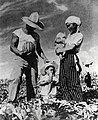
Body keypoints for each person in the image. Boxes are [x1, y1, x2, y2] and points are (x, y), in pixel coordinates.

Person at [8, 12, 49, 102]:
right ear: (27, 23)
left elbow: (39, 49)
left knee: (32, 82)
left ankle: (31, 102)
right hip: (20, 58)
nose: (33, 27)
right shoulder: (17, 33)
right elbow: (12, 46)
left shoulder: (36, 36)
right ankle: (11, 101)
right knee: (16, 78)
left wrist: (45, 58)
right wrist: (20, 52)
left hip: (32, 59)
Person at [57, 16, 83, 102]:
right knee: (63, 80)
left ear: (75, 25)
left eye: (69, 25)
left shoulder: (79, 35)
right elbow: (65, 46)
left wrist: (61, 50)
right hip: (65, 58)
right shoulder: (69, 36)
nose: (68, 27)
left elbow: (71, 47)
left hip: (71, 57)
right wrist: (60, 53)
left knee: (72, 80)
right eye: (67, 26)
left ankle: (77, 101)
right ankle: (67, 100)